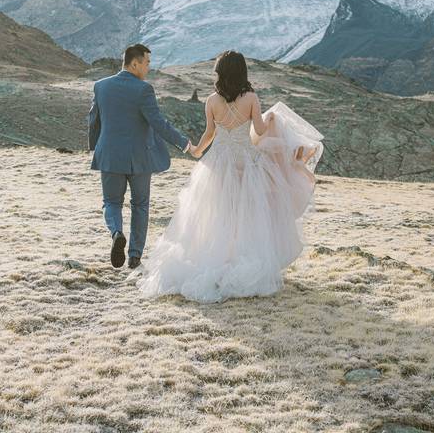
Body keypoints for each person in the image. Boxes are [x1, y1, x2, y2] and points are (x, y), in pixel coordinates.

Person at [136, 50, 323, 303]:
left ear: (220, 73)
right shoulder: (251, 98)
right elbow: (259, 130)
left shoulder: (212, 100)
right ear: (242, 72)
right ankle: (241, 260)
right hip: (246, 163)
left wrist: (197, 150)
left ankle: (214, 258)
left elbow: (210, 133)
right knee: (246, 215)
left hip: (218, 163)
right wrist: (271, 119)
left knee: (216, 214)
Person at [88, 44, 194, 270]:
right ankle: (135, 257)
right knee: (140, 206)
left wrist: (94, 148)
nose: (148, 68)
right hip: (139, 158)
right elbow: (158, 123)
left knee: (111, 202)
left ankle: (117, 233)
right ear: (134, 63)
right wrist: (185, 144)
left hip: (109, 155)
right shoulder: (143, 90)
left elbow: (93, 120)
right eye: (146, 63)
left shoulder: (100, 86)